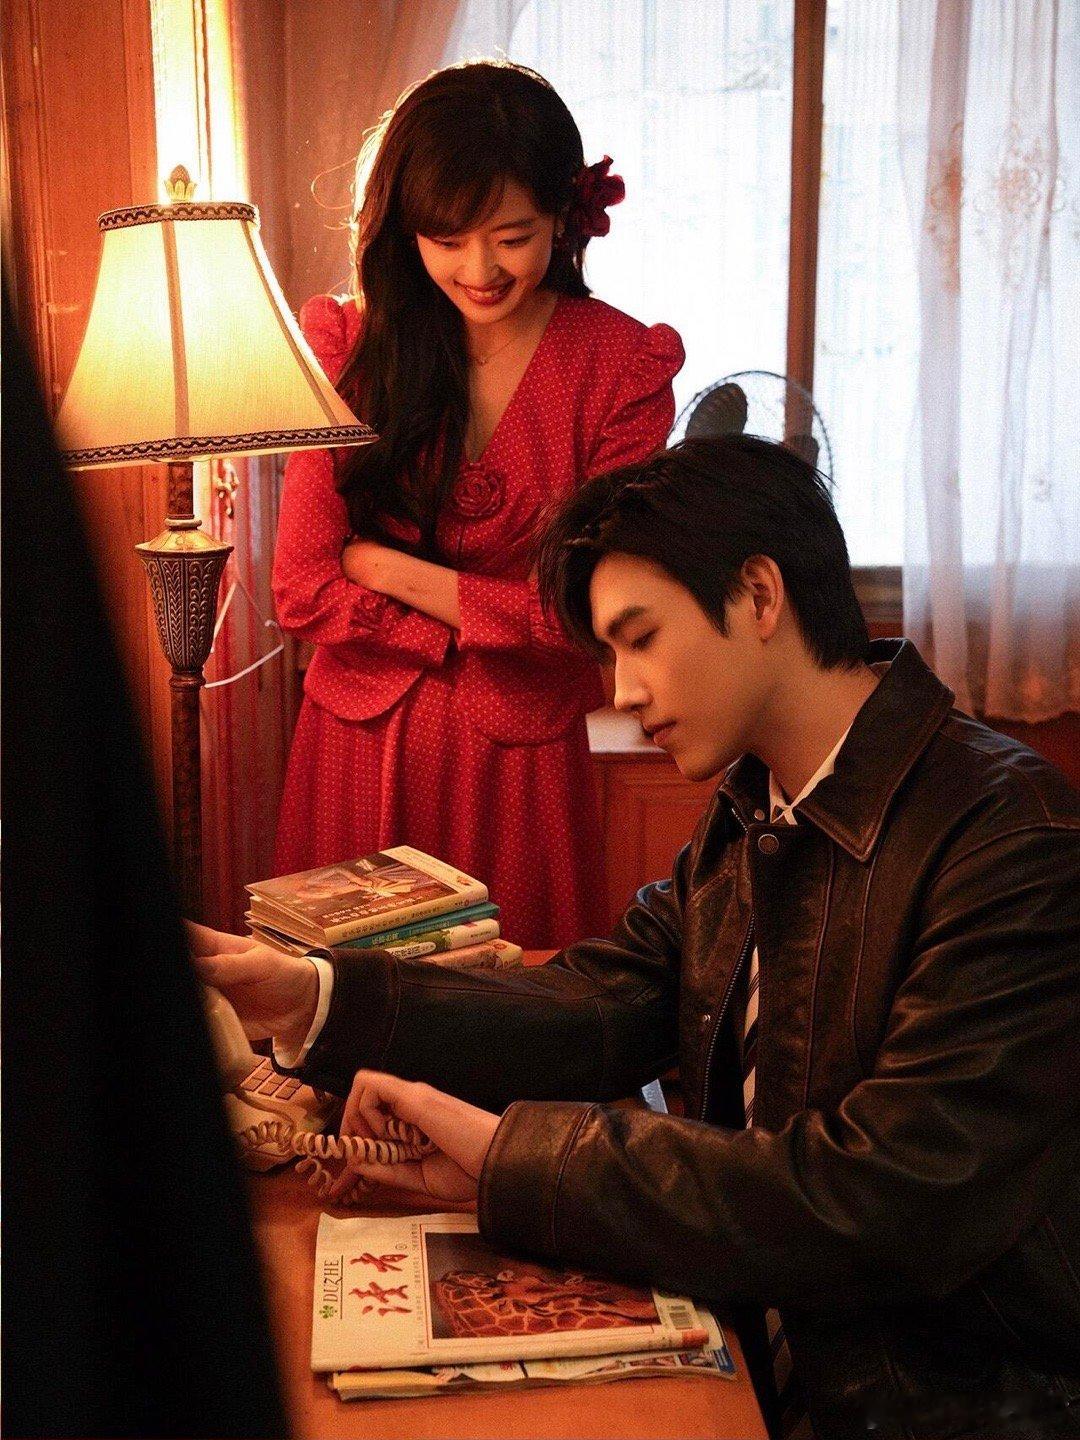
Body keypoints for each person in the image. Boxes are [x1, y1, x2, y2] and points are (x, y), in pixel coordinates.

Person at [194, 436, 1080, 1439]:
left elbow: (882, 1200)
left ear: (759, 596)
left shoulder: (1009, 836)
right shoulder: (756, 812)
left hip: (949, 1406)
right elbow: (603, 1002)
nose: (620, 690)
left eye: (640, 637)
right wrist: (307, 995)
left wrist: (514, 1159)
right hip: (772, 1351)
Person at [272, 59, 684, 948]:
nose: (480, 268)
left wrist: (386, 570)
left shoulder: (622, 369)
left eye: (511, 236)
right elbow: (302, 589)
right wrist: (482, 621)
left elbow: (577, 614)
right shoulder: (350, 344)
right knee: (337, 1014)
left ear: (564, 217)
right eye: (447, 238)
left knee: (516, 1008)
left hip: (521, 767)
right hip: (357, 746)